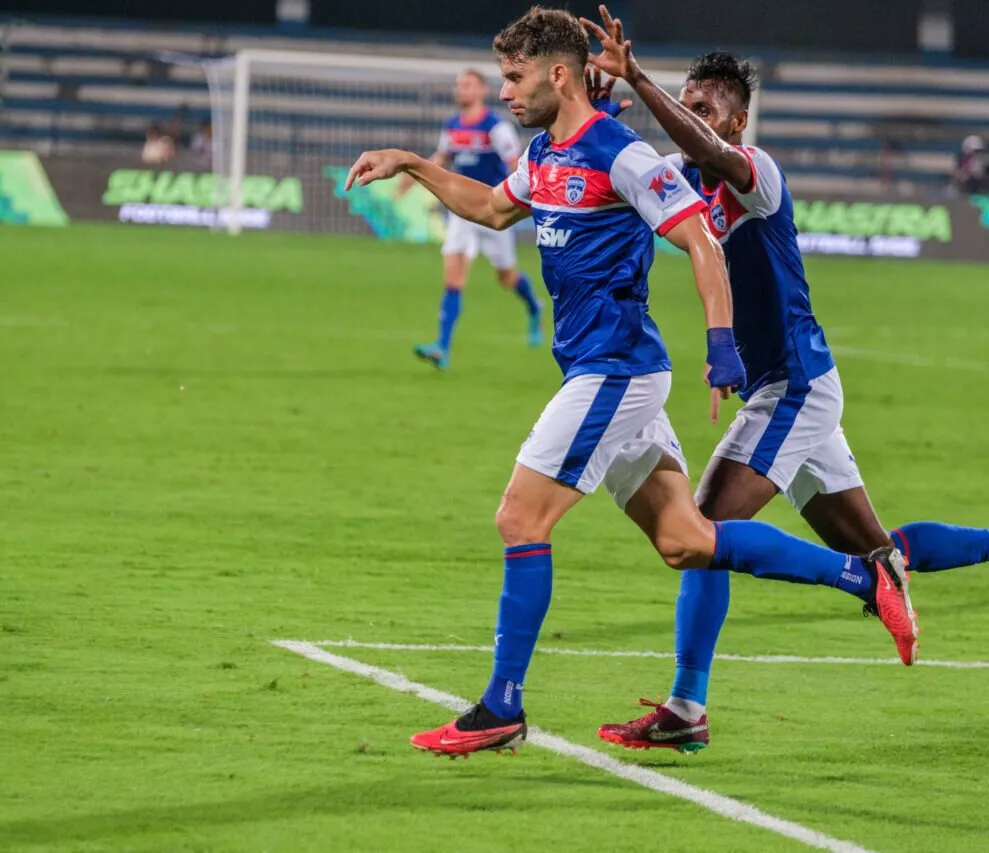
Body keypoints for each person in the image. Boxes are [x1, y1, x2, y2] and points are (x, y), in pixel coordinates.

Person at [344, 6, 924, 759]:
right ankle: (864, 575)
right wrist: (413, 163)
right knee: (688, 540)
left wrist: (722, 349)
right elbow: (490, 209)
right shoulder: (547, 153)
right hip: (606, 372)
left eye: (515, 78)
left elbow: (699, 237)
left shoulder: (619, 154)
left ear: (559, 74)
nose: (506, 93)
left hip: (616, 373)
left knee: (521, 518)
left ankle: (500, 706)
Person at [579, 7, 989, 753]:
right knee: (885, 552)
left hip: (795, 388)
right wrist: (597, 108)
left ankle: (688, 708)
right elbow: (635, 170)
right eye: (688, 100)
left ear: (739, 118)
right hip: (790, 389)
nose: (692, 112)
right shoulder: (691, 181)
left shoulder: (758, 173)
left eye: (705, 103)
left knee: (706, 527)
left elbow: (698, 146)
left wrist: (642, 80)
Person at [397, 69, 543, 369]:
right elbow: (442, 157)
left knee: (506, 278)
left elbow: (516, 166)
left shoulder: (496, 128)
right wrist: (413, 175)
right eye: (458, 84)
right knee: (453, 278)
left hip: (493, 211)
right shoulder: (451, 126)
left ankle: (533, 306)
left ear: (480, 91)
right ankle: (442, 347)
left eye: (467, 84)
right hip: (462, 213)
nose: (460, 89)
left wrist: (526, 200)